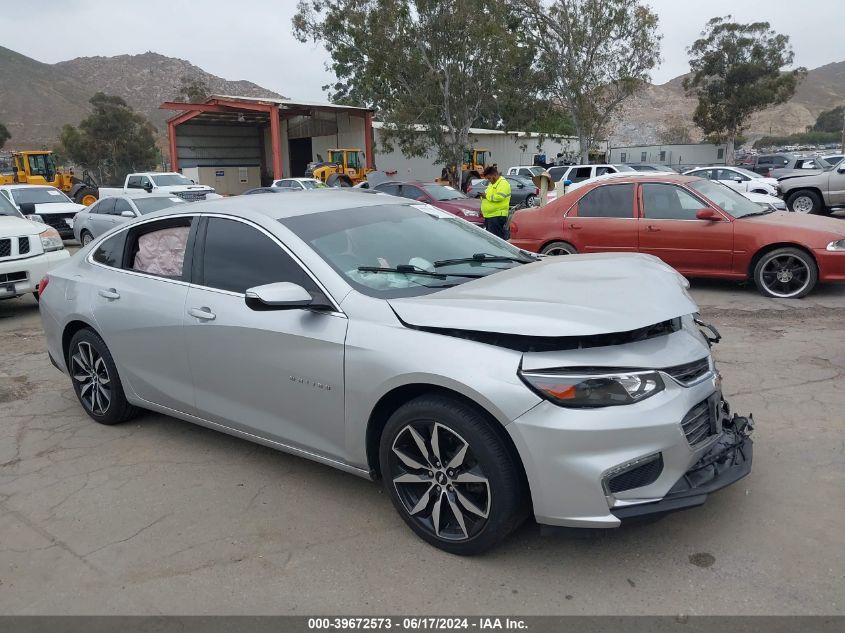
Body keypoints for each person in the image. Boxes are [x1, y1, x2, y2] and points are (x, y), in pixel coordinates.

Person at [478, 165, 511, 239]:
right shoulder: (492, 184)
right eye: (487, 179)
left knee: (496, 240)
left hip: (497, 216)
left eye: (489, 178)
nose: (489, 180)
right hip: (490, 216)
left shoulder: (503, 183)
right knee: (491, 240)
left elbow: (500, 197)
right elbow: (488, 195)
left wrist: (486, 196)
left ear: (495, 175)